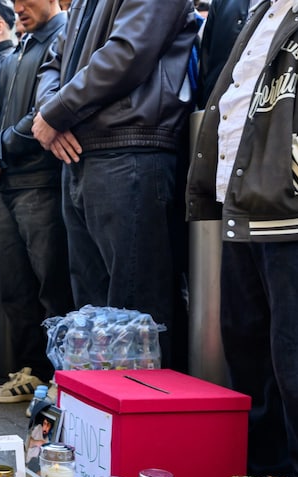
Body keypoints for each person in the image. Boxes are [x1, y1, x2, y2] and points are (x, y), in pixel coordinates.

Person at [33, 0, 199, 369]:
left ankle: (146, 422)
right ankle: (104, 419)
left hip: (131, 147)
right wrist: (52, 114)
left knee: (136, 313)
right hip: (83, 152)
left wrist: (56, 113)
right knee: (92, 312)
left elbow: (128, 52)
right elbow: (52, 63)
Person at [187, 0, 298, 477]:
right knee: (247, 347)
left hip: (288, 205)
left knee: (292, 360)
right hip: (244, 203)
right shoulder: (259, 10)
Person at [0, 0, 70, 404]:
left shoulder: (63, 38)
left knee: (52, 286)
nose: (19, 7)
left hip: (43, 181)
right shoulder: (16, 50)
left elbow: (43, 113)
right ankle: (30, 373)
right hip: (6, 183)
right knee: (15, 287)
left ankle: (59, 377)